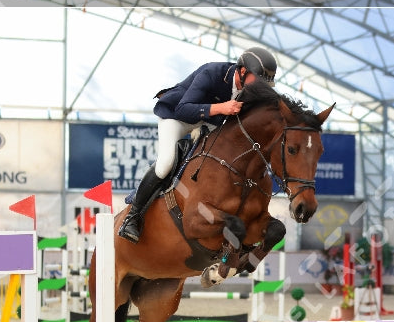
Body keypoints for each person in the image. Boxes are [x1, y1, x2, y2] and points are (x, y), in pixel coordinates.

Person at [118, 46, 279, 242]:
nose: (261, 88)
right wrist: (222, 107)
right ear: (243, 72)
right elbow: (184, 109)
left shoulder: (253, 91)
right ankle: (133, 217)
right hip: (177, 116)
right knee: (166, 162)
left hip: (211, 123)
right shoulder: (212, 73)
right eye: (259, 81)